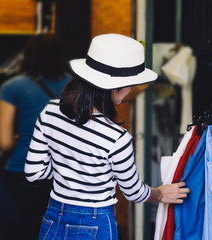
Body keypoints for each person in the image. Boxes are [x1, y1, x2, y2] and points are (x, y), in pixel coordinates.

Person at [24, 33, 190, 239]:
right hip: (95, 223)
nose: (131, 89)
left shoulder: (50, 111)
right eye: (131, 82)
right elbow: (134, 192)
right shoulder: (117, 138)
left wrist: (67, 171)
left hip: (53, 217)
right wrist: (161, 193)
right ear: (113, 87)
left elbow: (34, 173)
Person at [0, 33, 71, 240]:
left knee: (21, 231)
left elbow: (3, 142)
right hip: (64, 174)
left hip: (22, 172)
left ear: (28, 55)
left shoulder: (12, 87)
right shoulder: (74, 86)